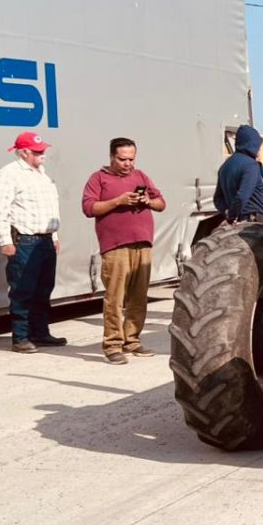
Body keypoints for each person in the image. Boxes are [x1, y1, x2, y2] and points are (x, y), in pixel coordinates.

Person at [81, 138, 166, 364]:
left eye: (131, 159)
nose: (128, 163)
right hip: (115, 246)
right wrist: (118, 201)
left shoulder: (140, 176)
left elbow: (161, 203)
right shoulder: (98, 178)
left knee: (138, 297)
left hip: (142, 244)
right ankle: (112, 344)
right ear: (111, 157)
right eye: (122, 159)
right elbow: (89, 208)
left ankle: (133, 341)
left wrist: (147, 200)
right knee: (115, 298)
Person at [0, 131, 66, 354]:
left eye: (43, 150)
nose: (43, 154)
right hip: (25, 241)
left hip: (44, 241)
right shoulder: (9, 174)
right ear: (24, 152)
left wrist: (54, 237)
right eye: (38, 151)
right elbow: (0, 210)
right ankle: (21, 336)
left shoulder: (42, 174)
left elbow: (49, 209)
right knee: (23, 289)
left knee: (44, 289)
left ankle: (40, 332)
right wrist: (5, 241)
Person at [214, 125, 263, 224]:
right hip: (254, 221)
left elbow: (217, 199)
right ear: (252, 145)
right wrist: (232, 214)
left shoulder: (224, 167)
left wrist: (227, 212)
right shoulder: (251, 165)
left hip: (236, 222)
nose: (259, 149)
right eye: (258, 146)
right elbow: (242, 196)